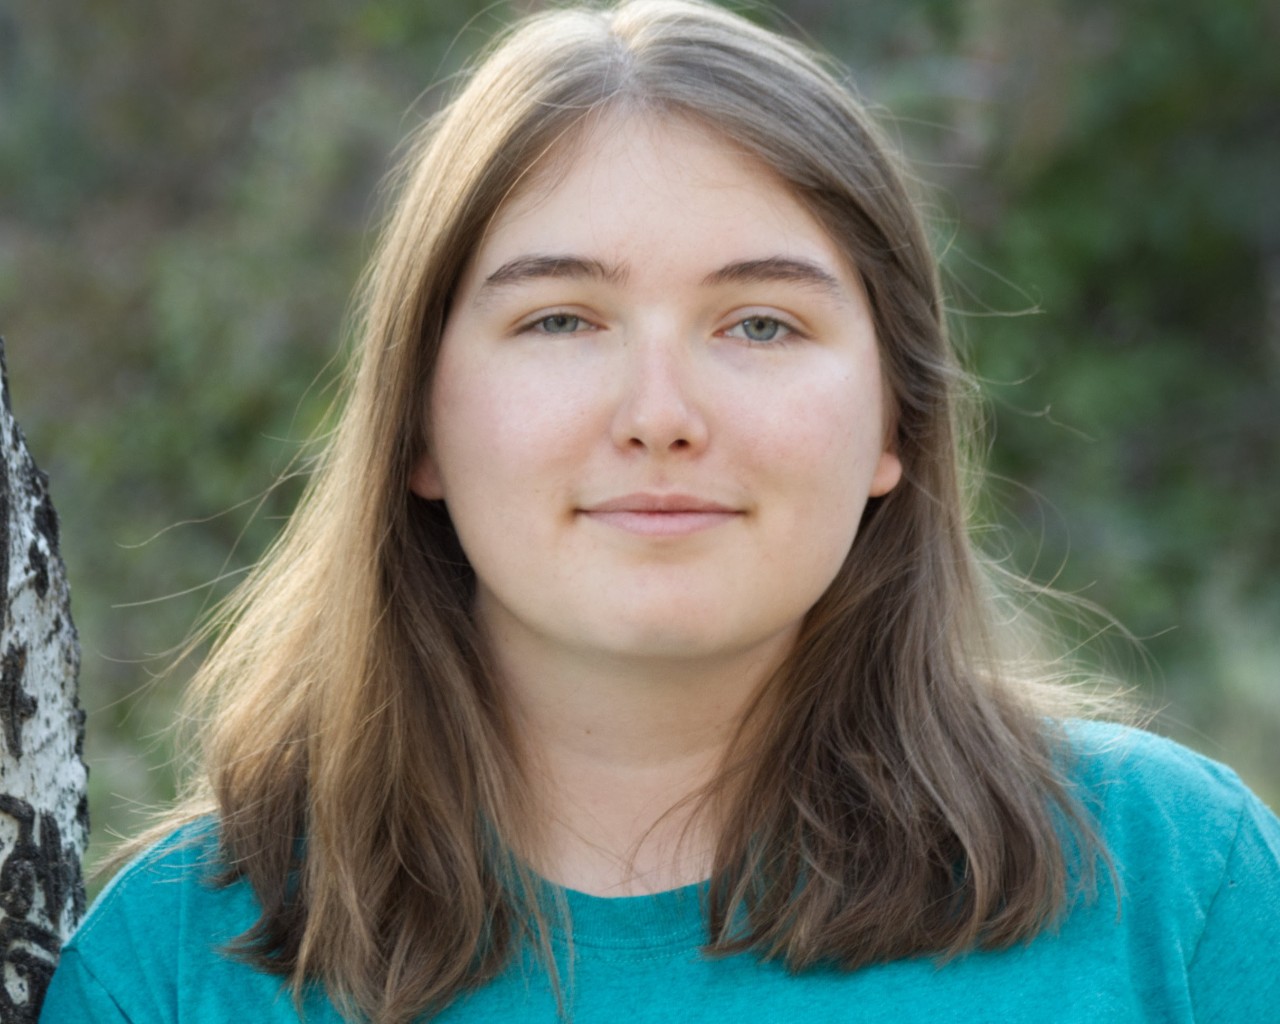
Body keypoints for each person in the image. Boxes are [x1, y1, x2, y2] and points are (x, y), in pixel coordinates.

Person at [39, 1, 1280, 1021]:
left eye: (759, 323)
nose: (660, 412)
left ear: (894, 422)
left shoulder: (1172, 888)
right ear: (417, 423)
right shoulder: (179, 965)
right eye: (561, 320)